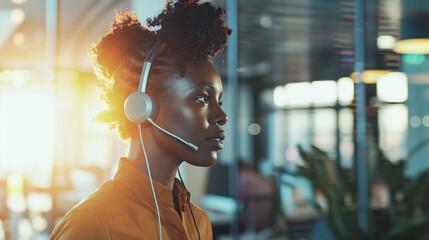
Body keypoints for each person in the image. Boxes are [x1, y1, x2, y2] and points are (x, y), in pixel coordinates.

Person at [49, 0, 231, 239]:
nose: (222, 116)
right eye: (201, 98)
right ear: (143, 108)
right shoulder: (92, 225)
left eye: (219, 101)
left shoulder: (199, 223)